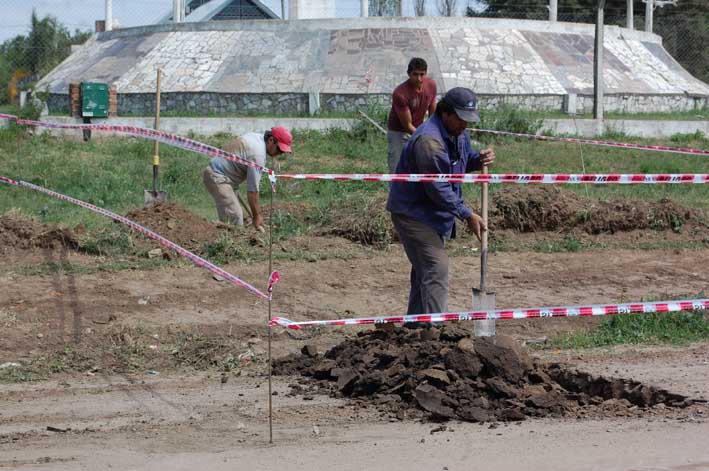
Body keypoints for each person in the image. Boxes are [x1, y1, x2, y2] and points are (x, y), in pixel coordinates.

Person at [386, 87, 495, 315]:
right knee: (436, 266)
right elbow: (438, 187)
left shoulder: (457, 133)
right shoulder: (429, 141)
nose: (465, 125)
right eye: (461, 119)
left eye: (468, 120)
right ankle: (435, 331)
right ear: (445, 113)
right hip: (413, 213)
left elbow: (458, 163)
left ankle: (415, 327)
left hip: (431, 213)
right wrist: (466, 214)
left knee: (425, 270)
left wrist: (478, 159)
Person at [203, 127, 292, 232]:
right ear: (271, 140)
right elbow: (252, 192)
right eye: (279, 149)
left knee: (233, 214)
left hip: (225, 176)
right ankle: (225, 244)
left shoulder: (256, 138)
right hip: (218, 176)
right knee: (235, 217)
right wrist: (257, 216)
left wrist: (255, 215)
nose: (280, 153)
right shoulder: (257, 155)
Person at [386, 57, 437, 173]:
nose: (419, 78)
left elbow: (433, 114)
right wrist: (425, 138)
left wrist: (433, 132)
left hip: (419, 128)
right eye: (415, 74)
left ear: (426, 73)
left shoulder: (431, 85)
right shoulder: (400, 93)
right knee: (397, 166)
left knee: (420, 163)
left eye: (422, 74)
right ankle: (395, 191)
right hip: (399, 132)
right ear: (409, 74)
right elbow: (407, 125)